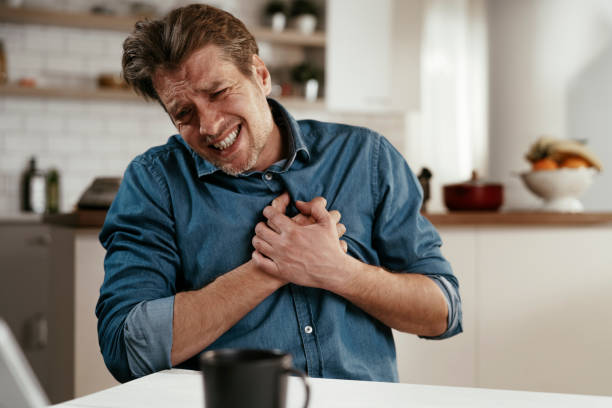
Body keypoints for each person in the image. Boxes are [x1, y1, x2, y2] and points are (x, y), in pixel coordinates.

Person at [96, 4, 462, 384]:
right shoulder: (155, 182)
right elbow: (125, 349)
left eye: (219, 92)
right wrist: (267, 269)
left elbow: (443, 312)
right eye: (184, 114)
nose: (209, 125)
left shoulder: (366, 158)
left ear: (260, 74)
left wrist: (337, 270)